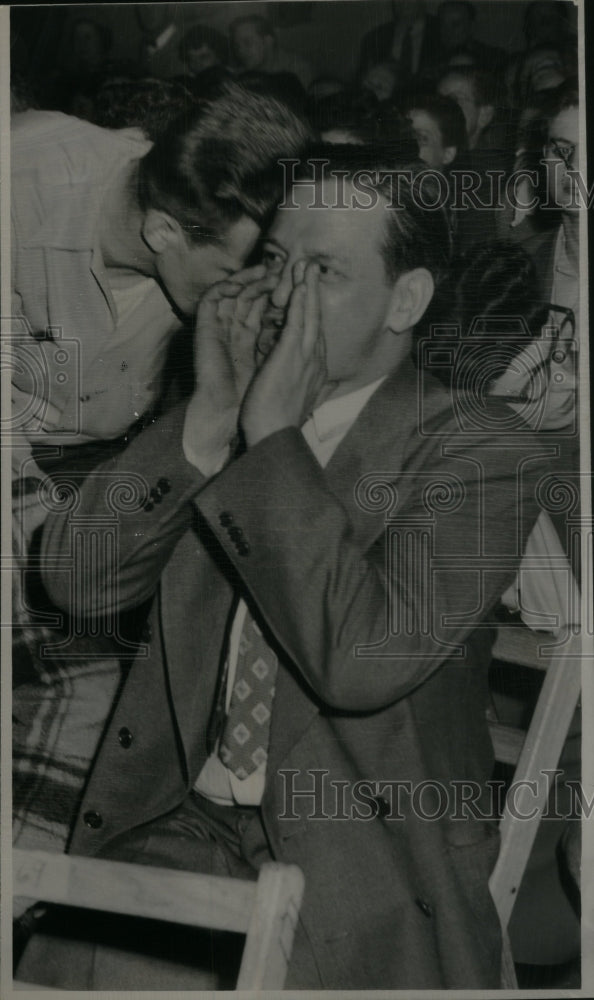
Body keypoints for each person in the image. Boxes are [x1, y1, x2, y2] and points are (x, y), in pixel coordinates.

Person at [18, 143, 549, 990]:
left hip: (366, 861)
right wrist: (209, 417)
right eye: (276, 261)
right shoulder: (227, 412)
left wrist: (272, 441)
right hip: (184, 823)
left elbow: (359, 662)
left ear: (405, 300)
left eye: (325, 273)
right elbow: (75, 581)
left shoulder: (479, 447)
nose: (282, 298)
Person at [11, 84, 312, 864]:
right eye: (238, 274)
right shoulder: (17, 185)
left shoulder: (211, 228)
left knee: (115, 695)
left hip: (93, 472)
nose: (260, 297)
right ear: (163, 229)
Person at [230, 14, 313, 89]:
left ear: (268, 41)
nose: (240, 51)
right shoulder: (240, 74)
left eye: (247, 43)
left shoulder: (298, 71)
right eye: (237, 45)